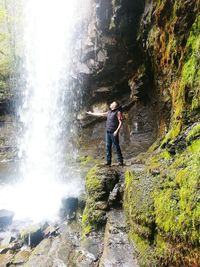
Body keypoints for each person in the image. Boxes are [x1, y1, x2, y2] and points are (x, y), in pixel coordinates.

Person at [86, 101, 124, 166]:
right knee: (108, 147)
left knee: (116, 146)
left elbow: (120, 122)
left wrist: (116, 131)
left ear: (115, 106)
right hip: (108, 132)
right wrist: (91, 113)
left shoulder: (118, 112)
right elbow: (101, 114)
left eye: (113, 103)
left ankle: (120, 161)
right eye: (112, 103)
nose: (111, 104)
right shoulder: (109, 112)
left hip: (113, 132)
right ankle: (108, 161)